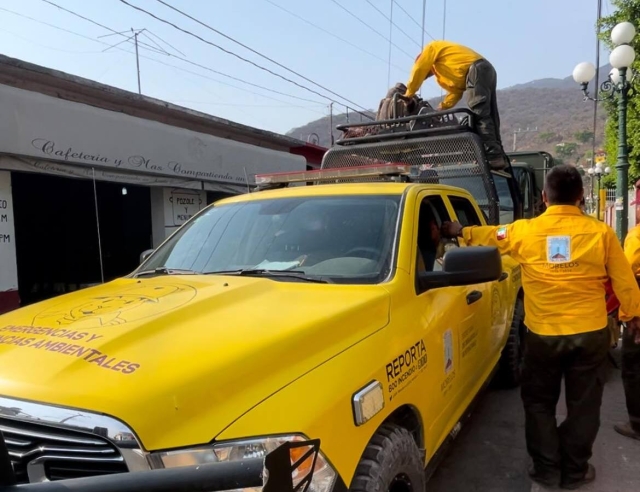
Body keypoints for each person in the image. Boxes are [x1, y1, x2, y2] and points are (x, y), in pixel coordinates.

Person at [440, 165, 640, 489]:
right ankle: (575, 471)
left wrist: (458, 230)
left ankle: (547, 470)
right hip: (589, 335)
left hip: (543, 337)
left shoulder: (524, 231)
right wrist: (633, 317)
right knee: (584, 405)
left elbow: (491, 234)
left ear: (544, 198)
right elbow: (624, 280)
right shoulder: (601, 233)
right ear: (581, 197)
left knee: (538, 403)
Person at [403, 40, 506, 169]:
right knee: (490, 114)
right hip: (486, 69)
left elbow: (419, 69)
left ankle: (492, 156)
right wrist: (442, 108)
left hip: (477, 69)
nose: (427, 76)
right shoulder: (446, 70)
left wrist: (409, 94)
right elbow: (456, 92)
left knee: (479, 114)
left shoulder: (430, 49)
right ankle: (498, 155)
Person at [614, 224, 640, 440]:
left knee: (633, 367)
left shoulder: (637, 236)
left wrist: (633, 314)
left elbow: (626, 271)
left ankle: (637, 425)